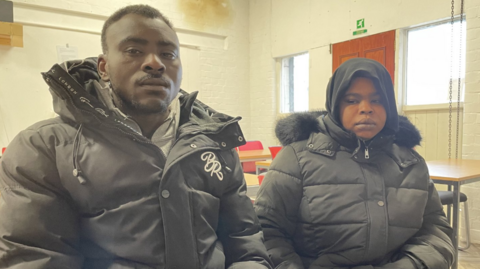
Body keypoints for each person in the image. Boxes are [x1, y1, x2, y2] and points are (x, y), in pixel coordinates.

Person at [0, 5, 272, 269]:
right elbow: (36, 255)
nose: (155, 63)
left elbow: (245, 242)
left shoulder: (216, 141)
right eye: (134, 51)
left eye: (168, 54)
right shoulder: (44, 149)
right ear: (103, 67)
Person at [254, 58, 454, 269]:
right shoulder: (296, 158)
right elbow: (267, 231)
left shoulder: (410, 162)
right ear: (335, 105)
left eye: (377, 100)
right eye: (352, 100)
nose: (366, 109)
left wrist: (413, 265)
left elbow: (436, 229)